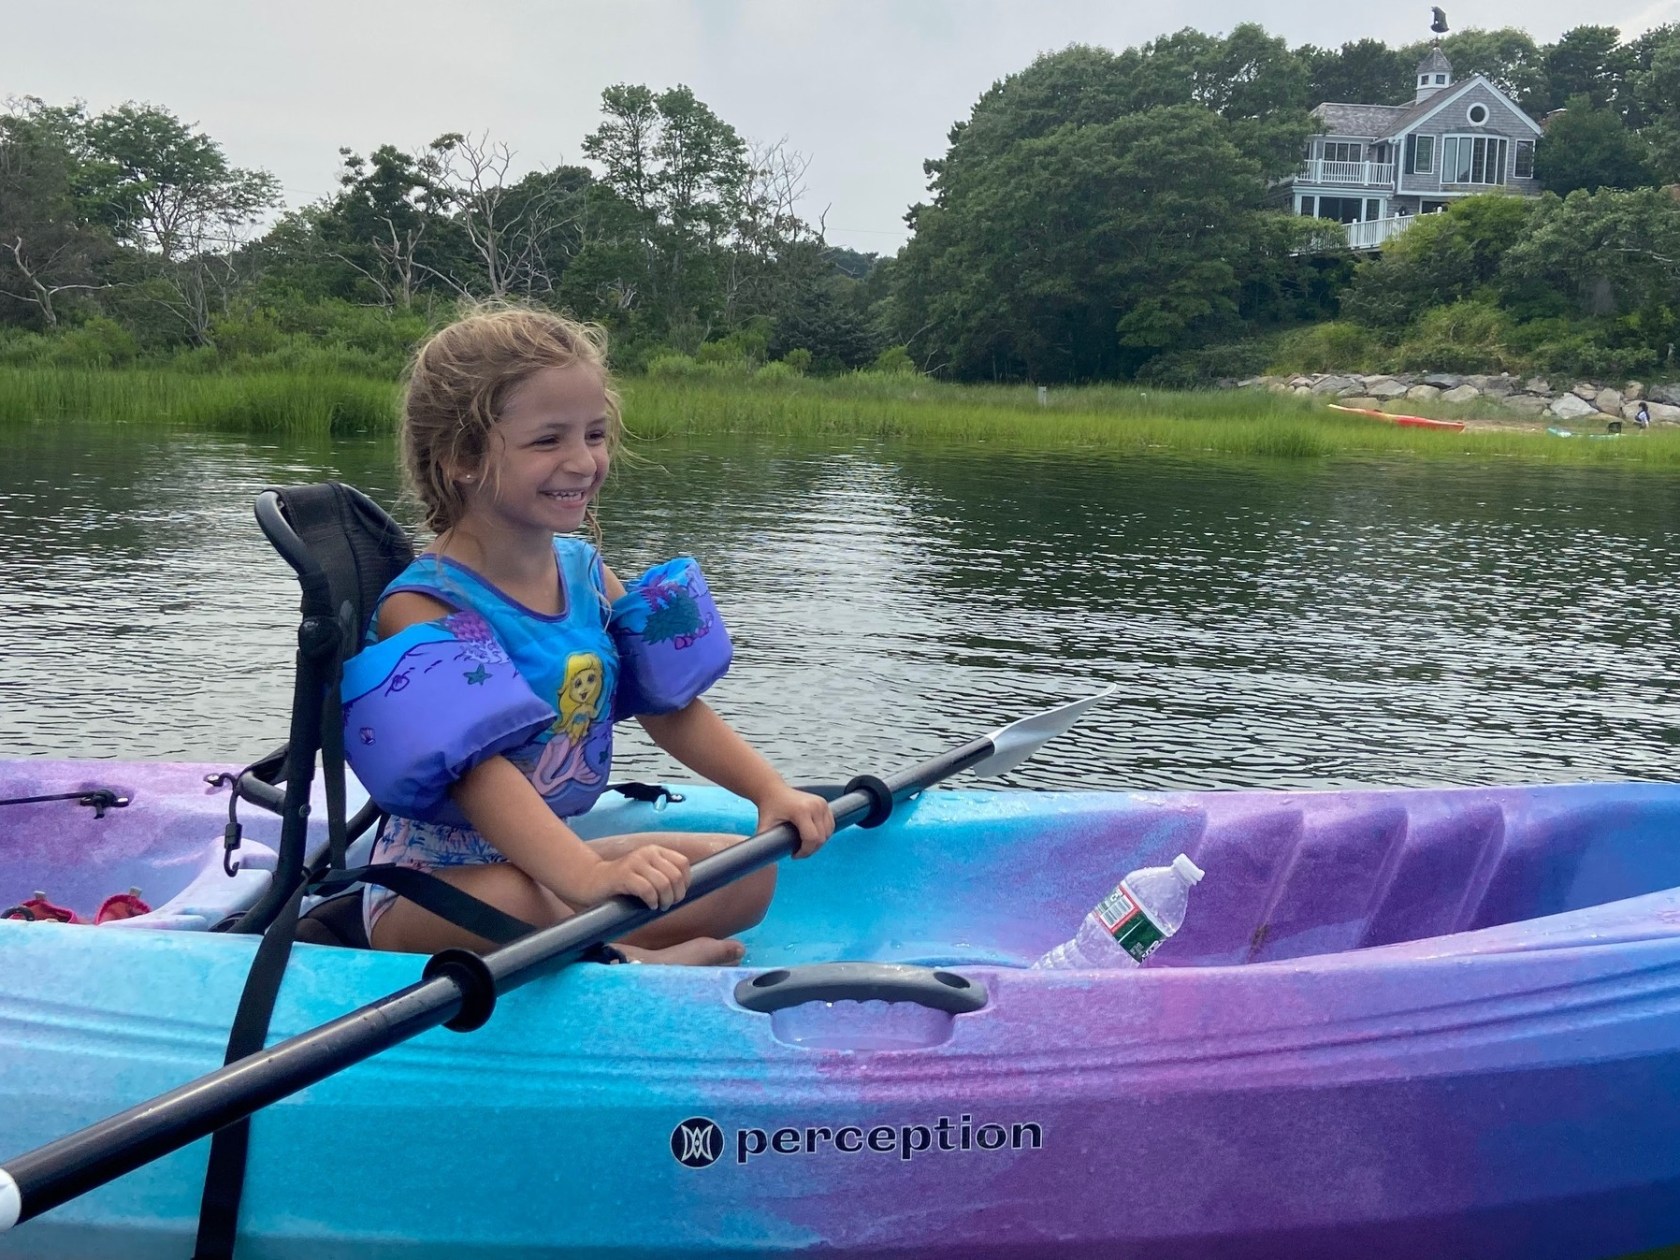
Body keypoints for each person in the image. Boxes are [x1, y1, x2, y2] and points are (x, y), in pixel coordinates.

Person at [342, 304, 834, 962]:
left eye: (595, 434)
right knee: (521, 905)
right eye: (549, 441)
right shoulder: (424, 603)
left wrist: (770, 790)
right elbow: (478, 776)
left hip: (554, 859)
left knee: (748, 873)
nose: (583, 461)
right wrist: (587, 880)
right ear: (462, 457)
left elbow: (670, 707)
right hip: (433, 887)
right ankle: (634, 959)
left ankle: (595, 935)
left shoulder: (586, 572)